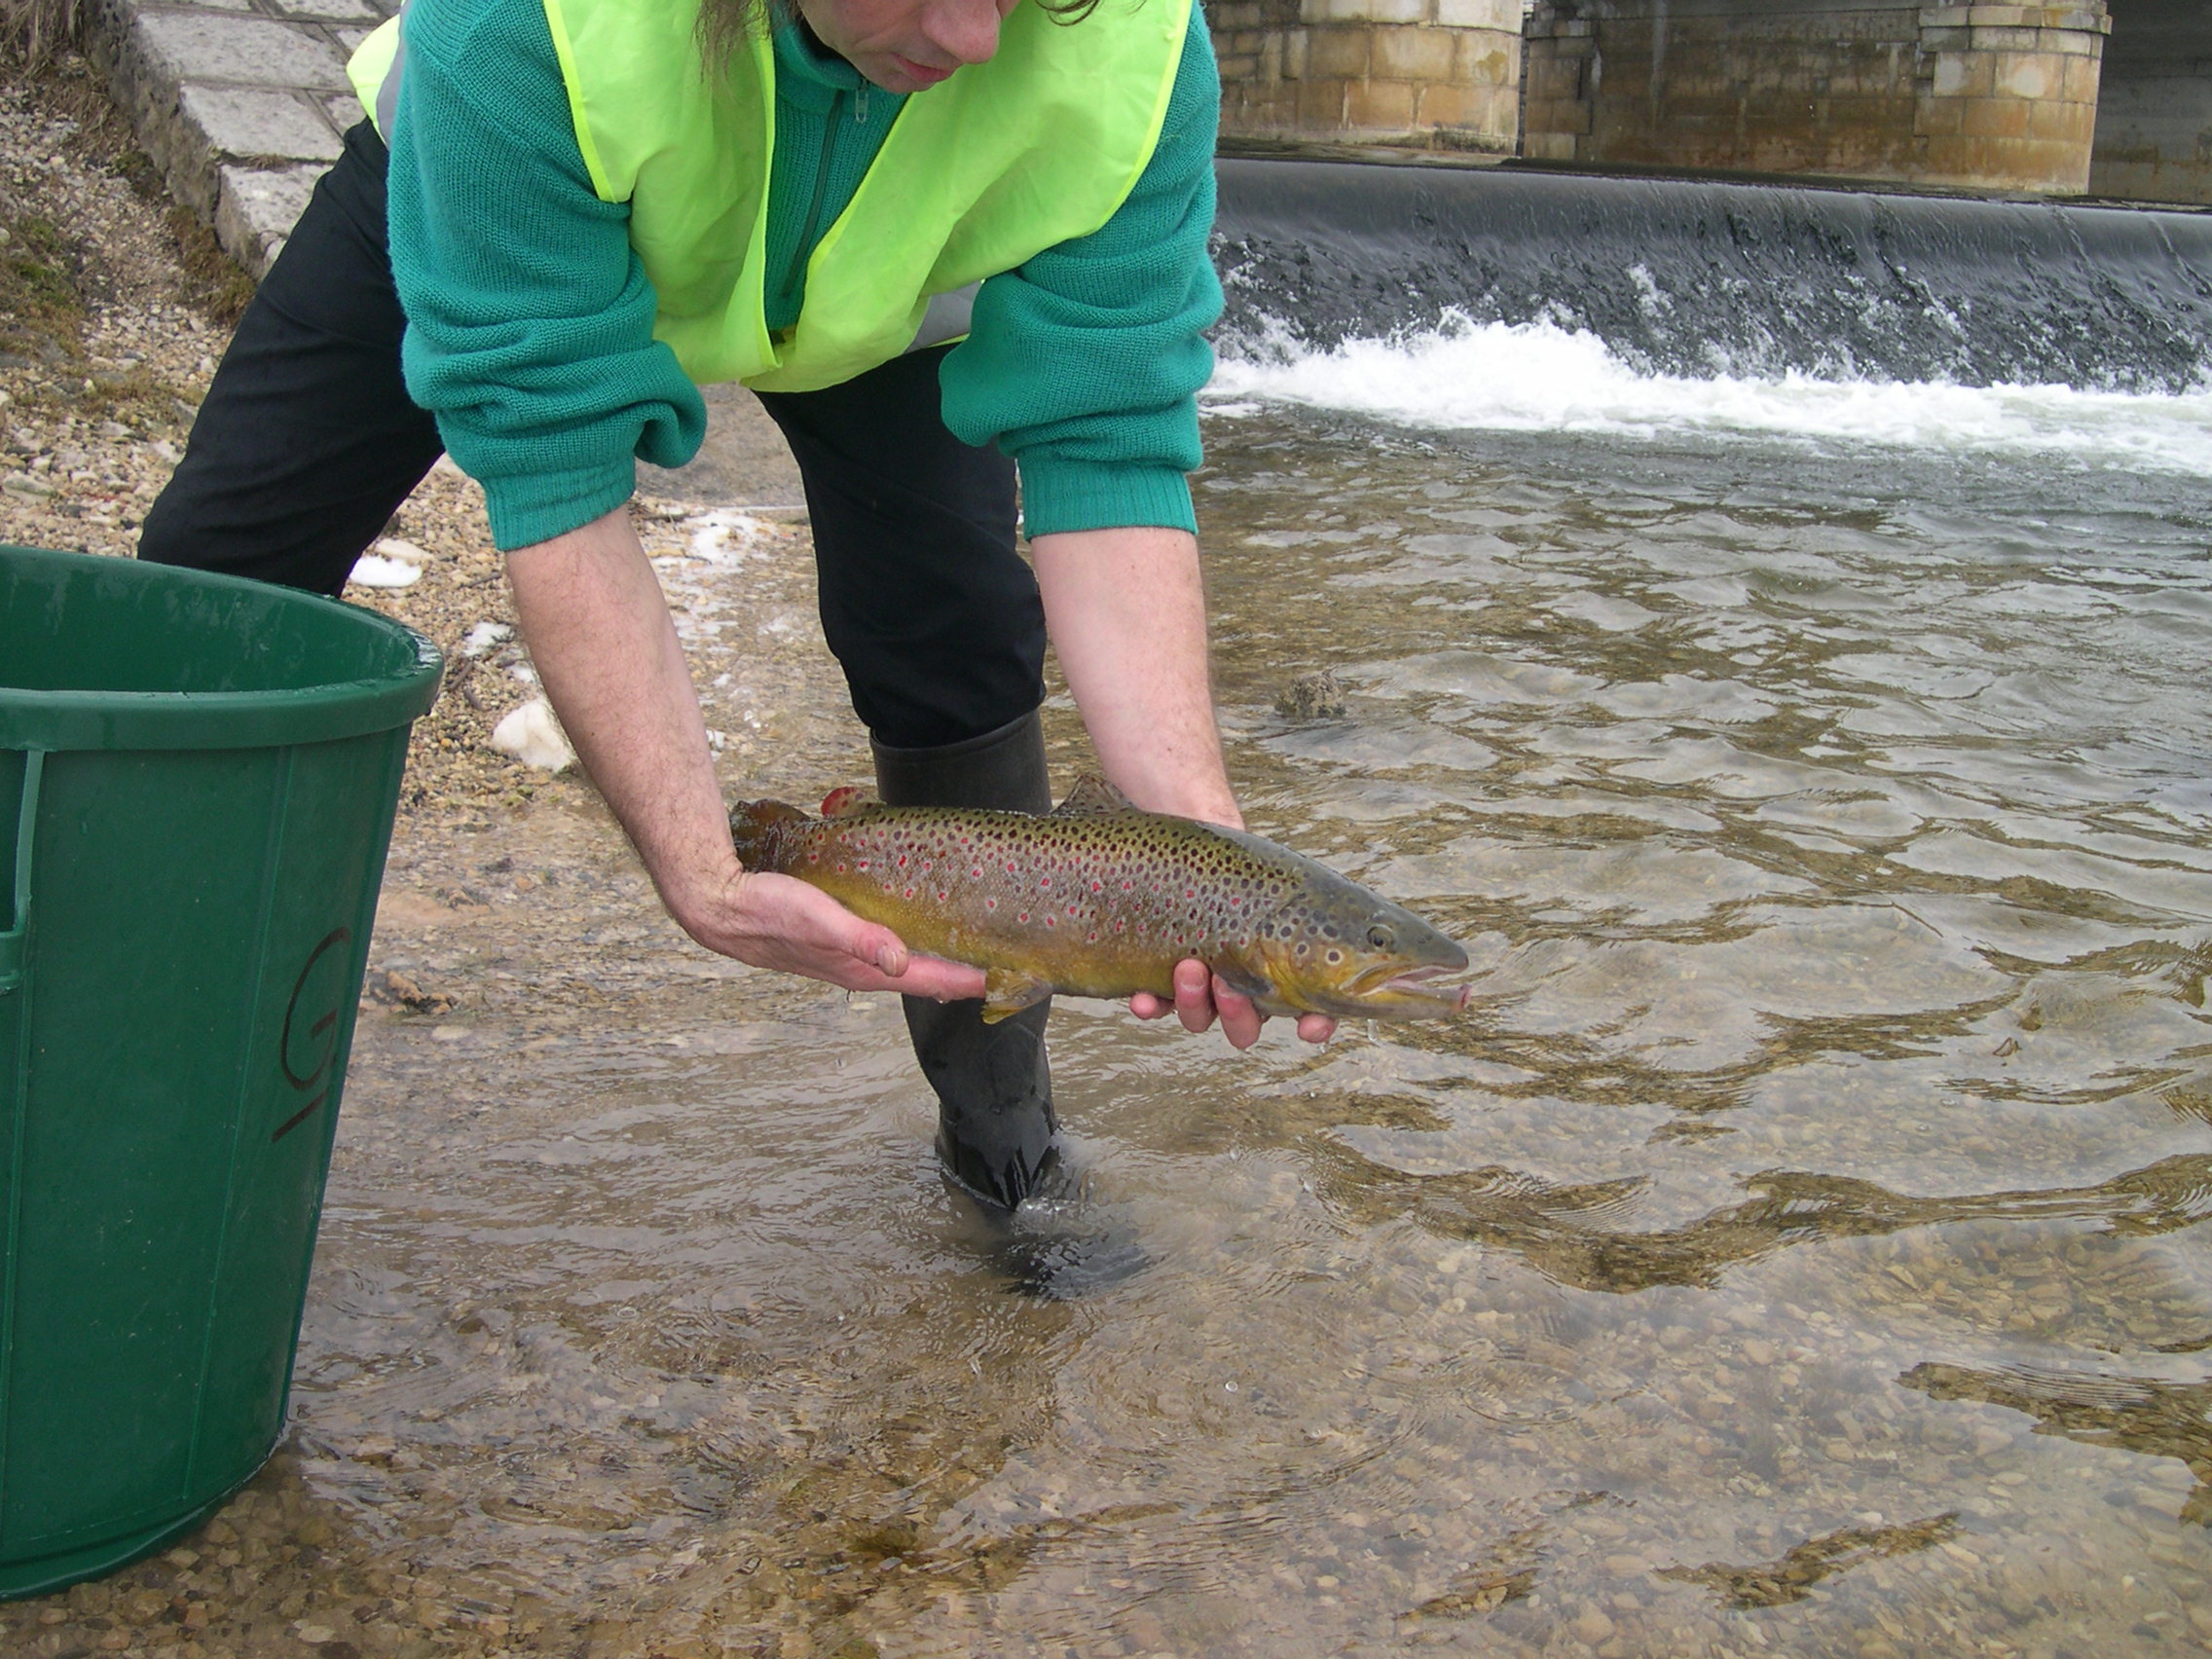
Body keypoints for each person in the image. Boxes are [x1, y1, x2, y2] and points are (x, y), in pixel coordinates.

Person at [137, 0, 1335, 1212]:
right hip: (491, 183)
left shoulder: (1136, 42)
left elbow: (1108, 435)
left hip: (883, 307)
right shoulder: (519, 27)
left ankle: (1005, 1152)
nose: (974, 35)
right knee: (214, 586)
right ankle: (149, 1070)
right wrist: (699, 874)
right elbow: (557, 477)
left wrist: (1204, 848)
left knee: (961, 637)